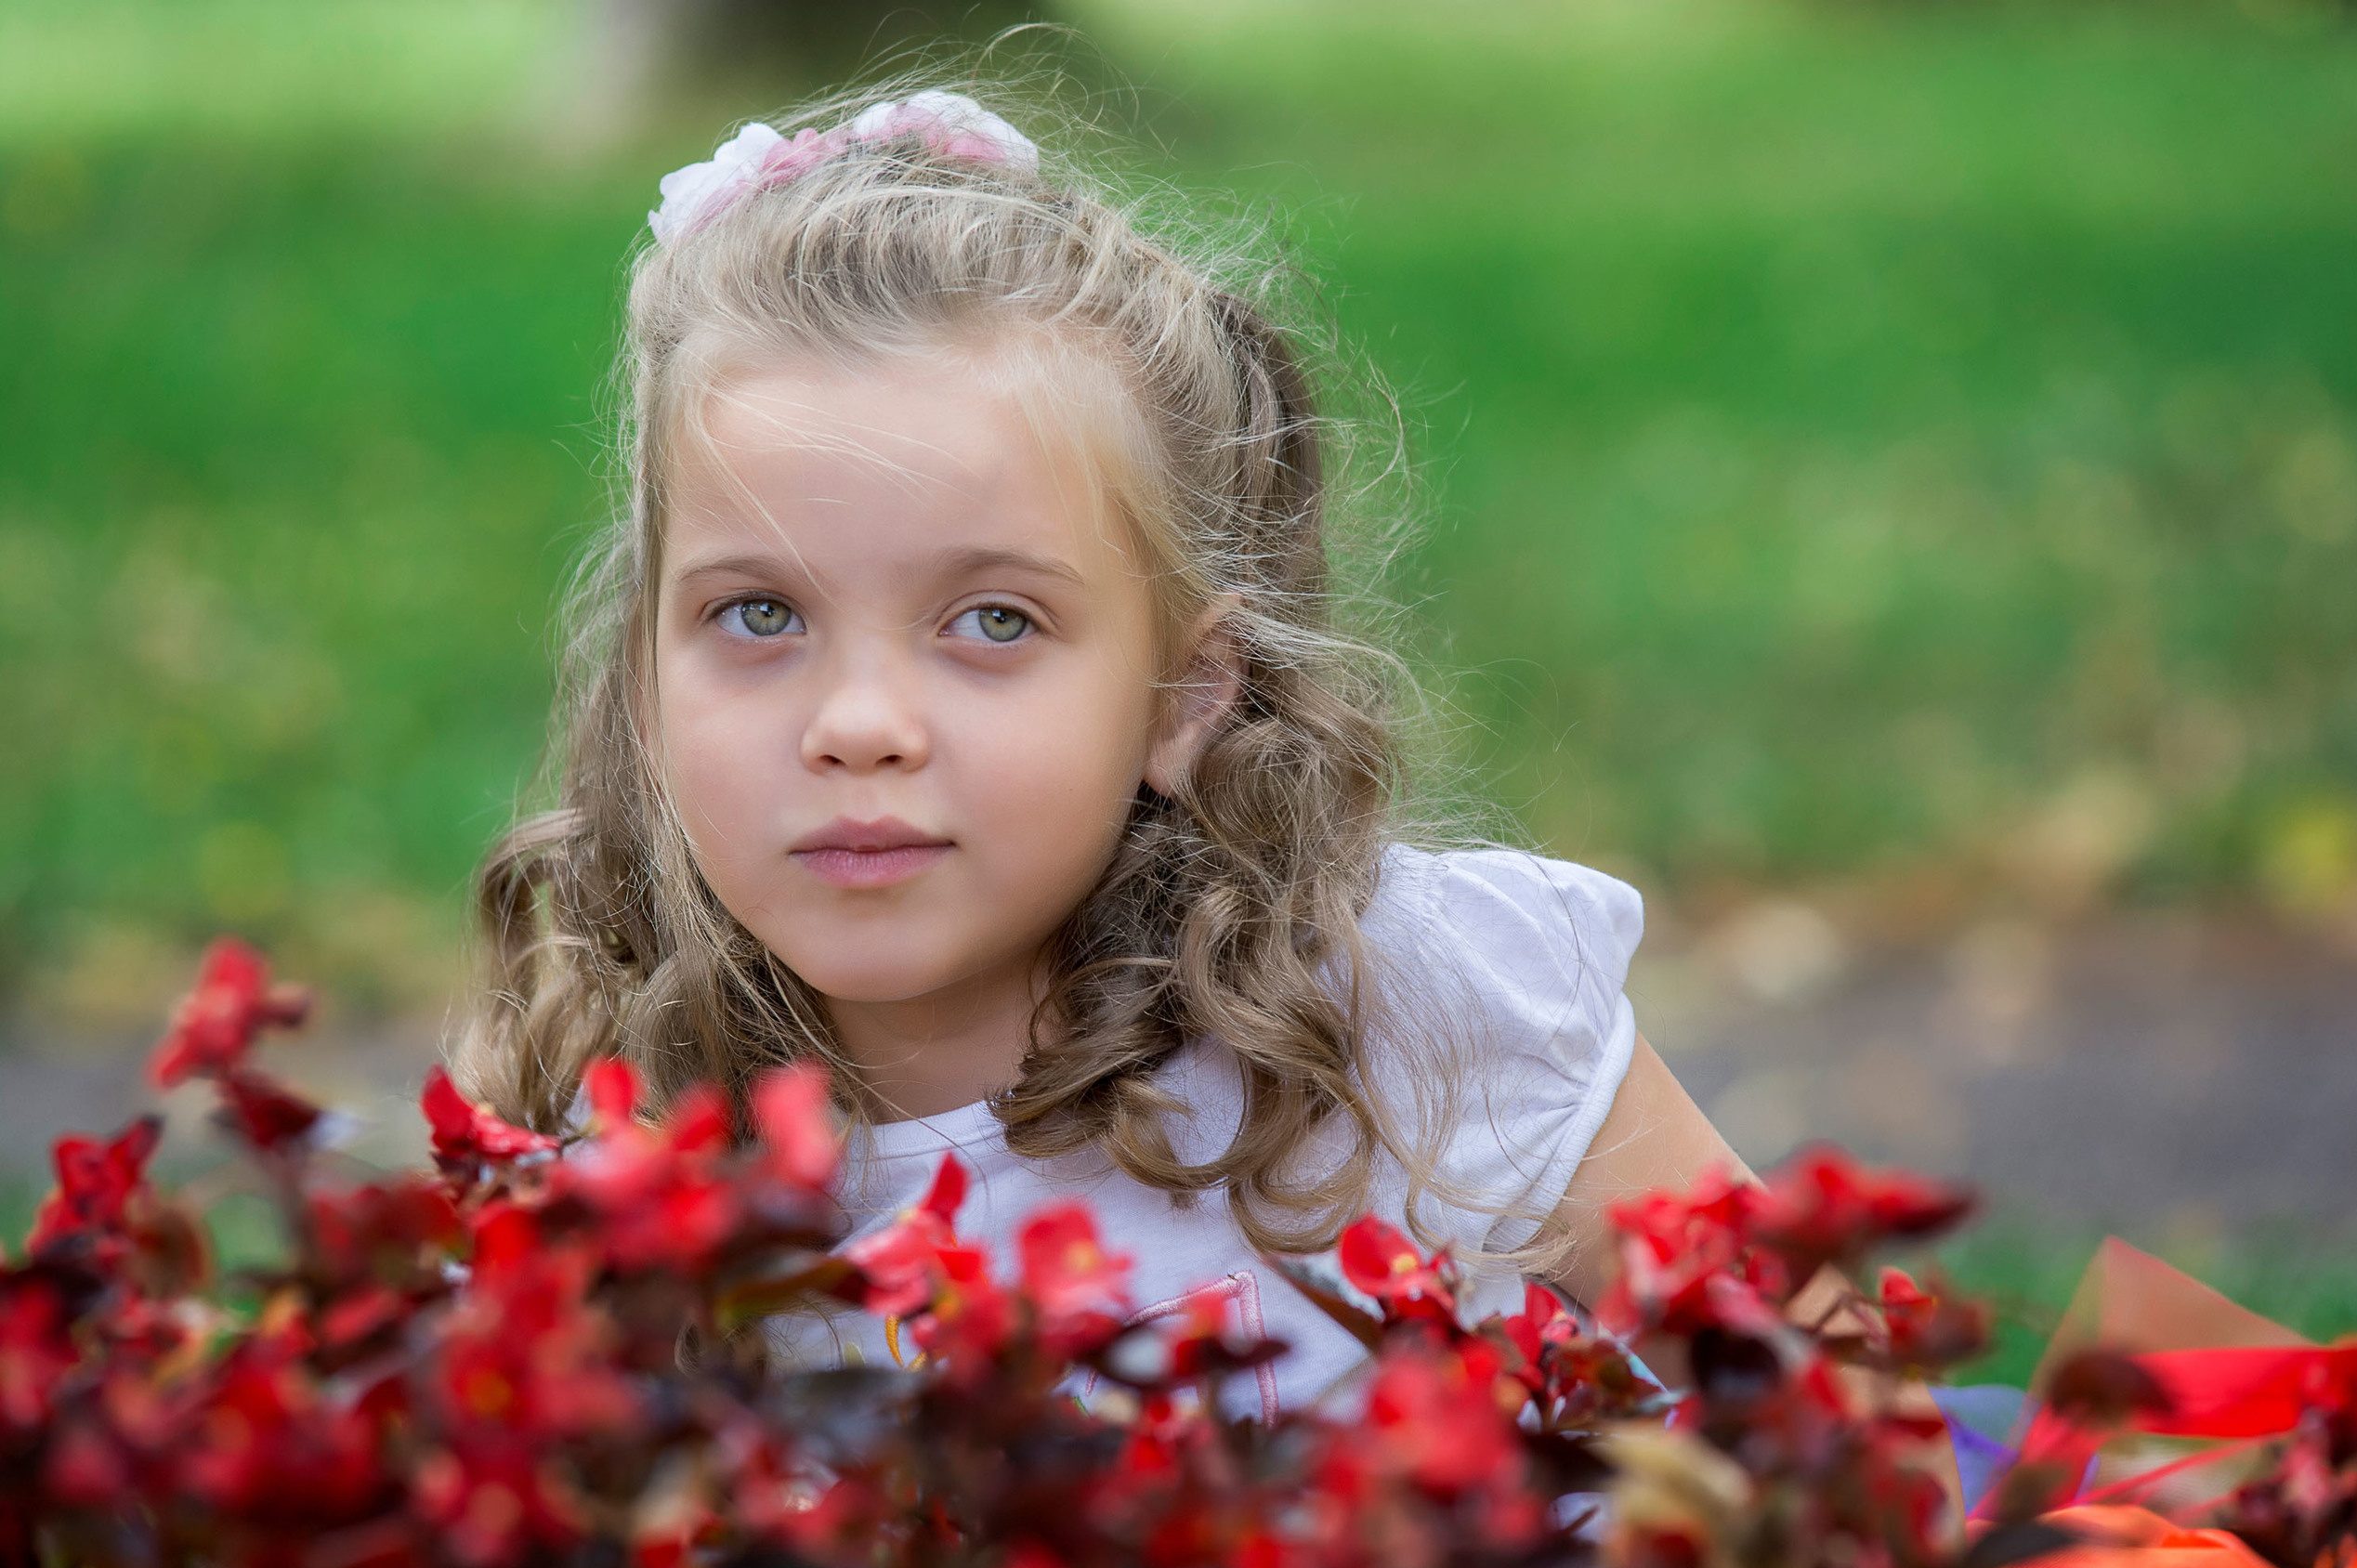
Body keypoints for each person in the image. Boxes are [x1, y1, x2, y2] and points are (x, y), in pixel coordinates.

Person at [452, 82, 1744, 1419]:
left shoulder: (1412, 1015)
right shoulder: (624, 1177)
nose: (855, 728)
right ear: (648, 683)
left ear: (1181, 693)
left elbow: (1845, 1413)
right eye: (759, 615)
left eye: (993, 621)